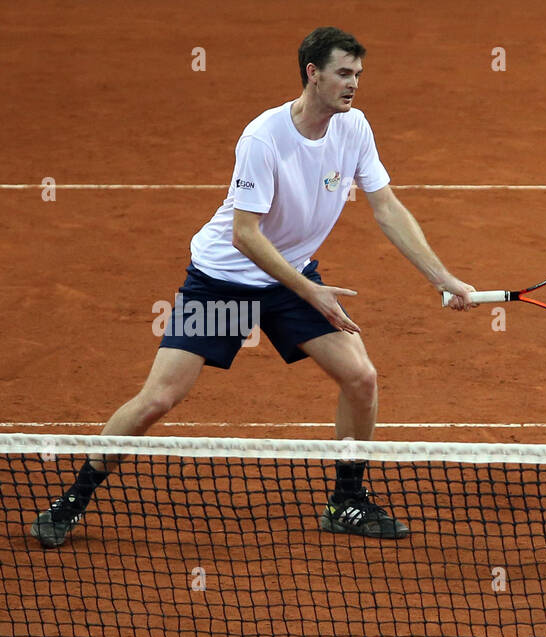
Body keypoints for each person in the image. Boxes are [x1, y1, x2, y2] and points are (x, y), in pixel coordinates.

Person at [30, 26, 476, 548]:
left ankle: (346, 501)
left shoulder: (354, 128)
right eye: (343, 73)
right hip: (224, 282)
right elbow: (245, 235)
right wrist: (310, 291)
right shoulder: (264, 138)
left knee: (361, 378)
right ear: (313, 73)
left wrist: (441, 277)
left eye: (358, 74)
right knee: (160, 398)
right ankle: (74, 499)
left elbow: (387, 207)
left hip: (290, 277)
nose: (353, 85)